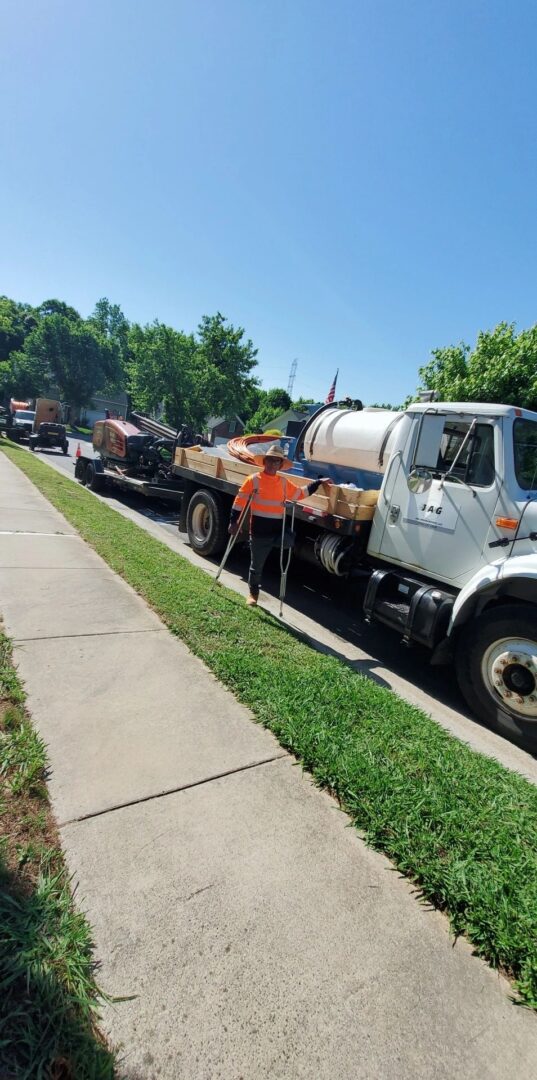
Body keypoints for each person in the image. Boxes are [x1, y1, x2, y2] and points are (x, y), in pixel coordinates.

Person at [228, 443, 332, 606]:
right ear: (265, 462)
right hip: (259, 532)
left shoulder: (283, 483)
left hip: (277, 531)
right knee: (256, 567)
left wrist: (318, 482)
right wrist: (233, 522)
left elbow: (300, 493)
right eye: (270, 460)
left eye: (276, 461)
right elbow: (239, 502)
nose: (272, 464)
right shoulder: (253, 480)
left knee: (290, 540)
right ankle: (253, 595)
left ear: (280, 465)